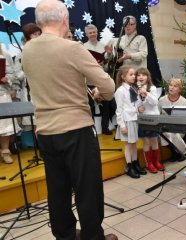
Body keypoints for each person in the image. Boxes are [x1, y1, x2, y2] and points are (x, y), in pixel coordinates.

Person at [21, 1, 116, 239]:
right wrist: (98, 94)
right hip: (76, 130)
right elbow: (108, 86)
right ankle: (93, 237)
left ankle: (64, 236)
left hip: (45, 131)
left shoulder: (28, 50)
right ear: (64, 19)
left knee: (58, 189)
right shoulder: (72, 48)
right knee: (87, 190)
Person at [114, 65, 145, 178]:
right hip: (126, 121)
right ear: (123, 77)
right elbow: (119, 110)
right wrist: (122, 125)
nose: (134, 77)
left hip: (134, 119)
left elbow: (135, 104)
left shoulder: (132, 89)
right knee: (128, 144)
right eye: (131, 74)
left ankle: (136, 164)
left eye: (134, 74)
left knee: (133, 143)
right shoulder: (120, 91)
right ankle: (129, 166)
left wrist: (139, 108)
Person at [84, 23, 115, 135]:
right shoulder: (83, 47)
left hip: (102, 78)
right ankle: (91, 130)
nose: (92, 34)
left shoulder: (104, 45)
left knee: (106, 105)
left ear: (97, 32)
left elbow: (109, 65)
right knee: (90, 107)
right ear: (86, 34)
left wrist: (108, 54)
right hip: (90, 80)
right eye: (90, 32)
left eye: (94, 32)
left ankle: (105, 128)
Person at [136, 67, 164, 173]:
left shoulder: (152, 88)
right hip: (143, 119)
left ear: (148, 77)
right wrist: (138, 108)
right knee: (146, 141)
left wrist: (146, 93)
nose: (141, 77)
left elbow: (154, 102)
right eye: (138, 75)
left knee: (154, 140)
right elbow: (136, 104)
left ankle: (156, 162)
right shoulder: (135, 89)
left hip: (153, 118)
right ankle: (149, 163)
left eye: (143, 75)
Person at [158, 78, 186, 161]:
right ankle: (176, 153)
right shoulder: (161, 100)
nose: (171, 87)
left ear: (179, 89)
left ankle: (181, 152)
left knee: (173, 134)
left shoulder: (184, 102)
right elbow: (158, 114)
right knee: (164, 133)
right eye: (170, 85)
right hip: (165, 126)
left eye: (175, 86)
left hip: (180, 127)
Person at [0, 45, 20, 164]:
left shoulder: (4, 55)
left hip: (2, 95)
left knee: (4, 125)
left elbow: (13, 74)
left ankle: (5, 151)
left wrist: (6, 78)